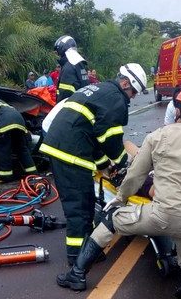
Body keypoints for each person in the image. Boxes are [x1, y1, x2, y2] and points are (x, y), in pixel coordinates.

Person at [56, 85, 181, 299]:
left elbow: (135, 175)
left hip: (161, 214)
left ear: (178, 109)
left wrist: (120, 198)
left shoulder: (158, 136)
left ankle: (76, 275)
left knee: (111, 220)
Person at [40, 63, 147, 265]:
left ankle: (88, 250)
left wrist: (103, 165)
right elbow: (111, 140)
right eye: (133, 91)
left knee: (87, 203)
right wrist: (128, 165)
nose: (132, 97)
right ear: (125, 83)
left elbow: (96, 136)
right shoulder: (116, 99)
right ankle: (77, 259)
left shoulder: (101, 90)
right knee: (78, 208)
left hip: (68, 147)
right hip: (70, 153)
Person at [0, 96, 37, 183]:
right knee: (22, 149)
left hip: (4, 124)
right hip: (19, 122)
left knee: (3, 150)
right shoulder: (4, 104)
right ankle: (33, 173)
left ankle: (5, 176)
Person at [53, 35, 89, 102]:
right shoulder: (79, 64)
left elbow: (64, 95)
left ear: (62, 49)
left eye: (57, 52)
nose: (58, 55)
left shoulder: (68, 68)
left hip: (70, 109)